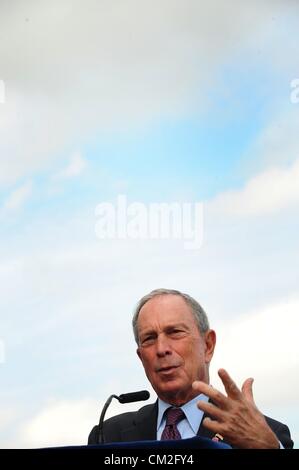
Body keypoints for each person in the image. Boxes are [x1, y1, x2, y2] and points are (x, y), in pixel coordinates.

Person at [88, 288, 293, 448]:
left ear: (208, 345)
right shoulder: (109, 434)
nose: (161, 349)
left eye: (175, 332)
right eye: (149, 339)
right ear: (141, 357)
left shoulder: (265, 435)